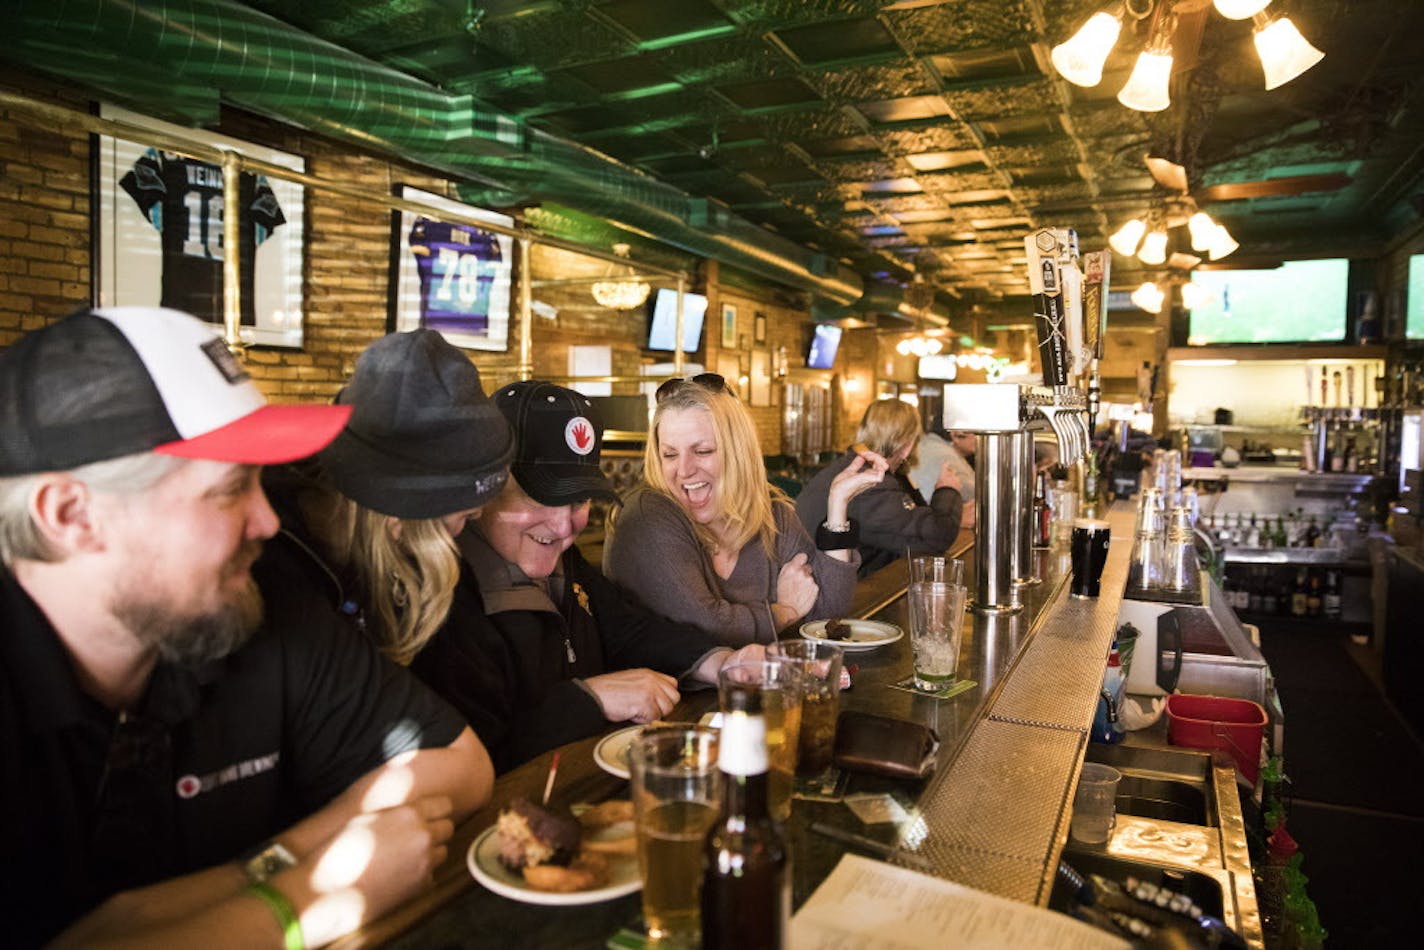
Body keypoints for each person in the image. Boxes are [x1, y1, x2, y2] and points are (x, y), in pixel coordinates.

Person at [0, 307, 494, 948]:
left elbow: (458, 765)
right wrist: (301, 897)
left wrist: (267, 869)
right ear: (72, 516)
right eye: (231, 487)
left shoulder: (257, 607)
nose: (267, 521)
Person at [410, 381, 764, 771]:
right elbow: (472, 751)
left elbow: (627, 627)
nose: (563, 526)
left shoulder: (564, 559)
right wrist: (589, 699)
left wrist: (717, 662)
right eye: (540, 498)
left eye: (578, 500)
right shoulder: (444, 594)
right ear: (486, 489)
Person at [261, 328, 514, 665]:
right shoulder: (276, 580)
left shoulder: (393, 559)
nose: (473, 523)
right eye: (465, 515)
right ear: (401, 519)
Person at [604, 373, 884, 646]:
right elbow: (705, 627)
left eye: (703, 451)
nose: (684, 470)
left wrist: (837, 507)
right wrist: (784, 611)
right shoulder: (647, 514)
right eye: (670, 455)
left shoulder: (773, 517)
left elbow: (827, 618)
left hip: (758, 689)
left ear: (738, 452)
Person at [796, 398, 964, 577]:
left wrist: (903, 475)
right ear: (907, 446)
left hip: (823, 581)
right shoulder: (871, 484)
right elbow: (934, 538)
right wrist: (948, 489)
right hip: (828, 595)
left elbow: (913, 523)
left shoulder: (857, 467)